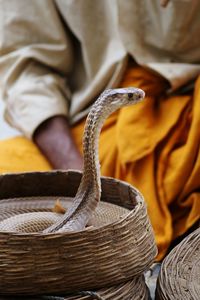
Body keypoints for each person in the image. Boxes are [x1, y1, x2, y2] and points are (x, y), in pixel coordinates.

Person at [0, 0, 199, 260]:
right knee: (12, 171)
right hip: (88, 124)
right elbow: (27, 70)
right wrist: (81, 182)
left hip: (187, 104)